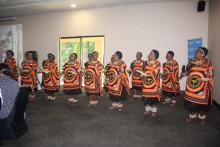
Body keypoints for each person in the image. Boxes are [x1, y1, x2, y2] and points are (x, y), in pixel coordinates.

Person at [183, 47, 213, 125]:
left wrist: (204, 79)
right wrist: (184, 73)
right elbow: (187, 71)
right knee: (191, 102)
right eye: (196, 52)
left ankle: (202, 116)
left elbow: (211, 75)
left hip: (202, 87)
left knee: (201, 103)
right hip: (191, 86)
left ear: (203, 54)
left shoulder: (208, 62)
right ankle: (192, 115)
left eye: (198, 52)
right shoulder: (192, 61)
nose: (196, 53)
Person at [142, 50, 161, 117]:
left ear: (155, 56)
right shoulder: (145, 62)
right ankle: (148, 109)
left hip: (153, 84)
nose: (150, 54)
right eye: (150, 53)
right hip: (146, 83)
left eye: (152, 54)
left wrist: (149, 65)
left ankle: (154, 111)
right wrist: (142, 73)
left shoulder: (158, 63)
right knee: (146, 97)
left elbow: (155, 71)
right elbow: (143, 70)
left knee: (153, 98)